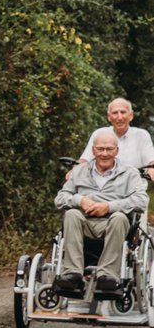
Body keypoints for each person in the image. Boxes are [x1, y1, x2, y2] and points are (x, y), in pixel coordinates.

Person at [54, 130, 148, 293]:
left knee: (119, 217)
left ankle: (107, 276)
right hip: (84, 222)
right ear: (93, 150)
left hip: (114, 224)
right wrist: (80, 200)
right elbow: (60, 199)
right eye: (100, 149)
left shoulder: (129, 173)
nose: (104, 153)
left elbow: (141, 201)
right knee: (71, 214)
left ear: (116, 151)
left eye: (109, 149)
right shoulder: (79, 171)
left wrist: (109, 206)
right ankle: (73, 275)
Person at [79, 97, 154, 178]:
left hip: (135, 188)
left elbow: (151, 160)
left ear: (131, 115)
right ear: (109, 117)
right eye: (115, 113)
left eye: (123, 112)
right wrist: (75, 169)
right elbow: (85, 160)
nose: (119, 117)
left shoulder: (141, 135)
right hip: (103, 187)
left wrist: (152, 169)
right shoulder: (99, 134)